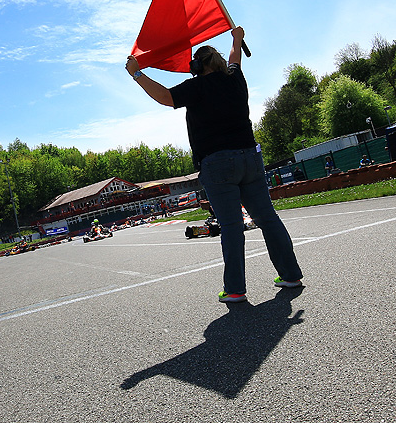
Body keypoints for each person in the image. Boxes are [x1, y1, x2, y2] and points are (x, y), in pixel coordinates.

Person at [126, 27, 303, 303]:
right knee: (267, 217)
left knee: (231, 226)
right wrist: (236, 39)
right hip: (249, 157)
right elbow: (236, 58)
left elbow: (164, 97)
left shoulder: (197, 87)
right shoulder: (236, 79)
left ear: (197, 67)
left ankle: (235, 289)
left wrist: (137, 74)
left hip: (217, 162)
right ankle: (290, 275)